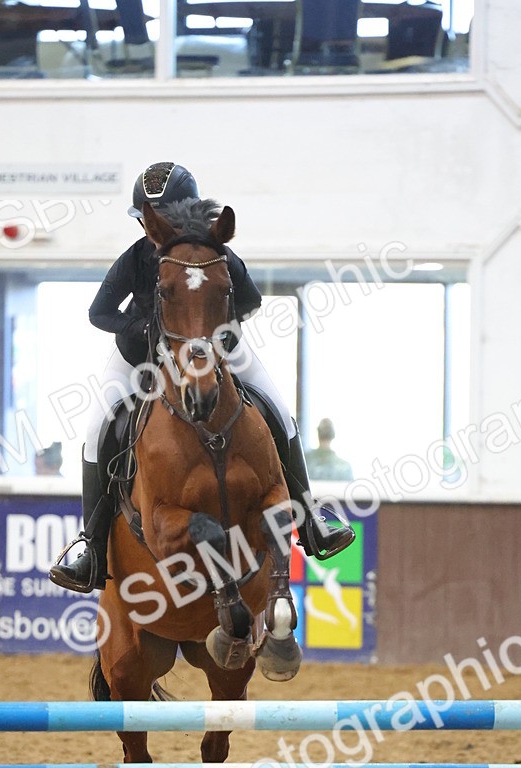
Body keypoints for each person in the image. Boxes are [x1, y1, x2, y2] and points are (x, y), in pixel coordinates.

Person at [49, 161, 354, 593]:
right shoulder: (136, 257)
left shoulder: (218, 254)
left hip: (214, 350)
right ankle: (91, 546)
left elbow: (249, 303)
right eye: (148, 221)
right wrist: (143, 330)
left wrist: (208, 329)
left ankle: (310, 518)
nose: (153, 228)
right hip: (139, 358)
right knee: (97, 427)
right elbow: (99, 313)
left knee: (281, 412)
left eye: (163, 219)